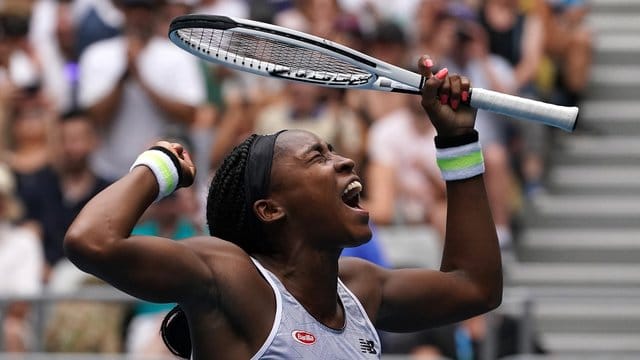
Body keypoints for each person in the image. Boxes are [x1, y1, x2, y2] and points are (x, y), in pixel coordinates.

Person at [64, 56, 503, 359]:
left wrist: (458, 142)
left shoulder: (359, 289)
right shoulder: (230, 276)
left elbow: (475, 287)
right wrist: (159, 165)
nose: (345, 160)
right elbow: (91, 241)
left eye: (332, 152)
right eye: (318, 157)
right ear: (270, 209)